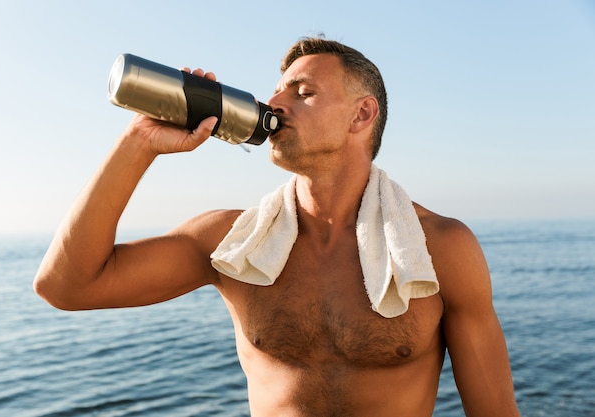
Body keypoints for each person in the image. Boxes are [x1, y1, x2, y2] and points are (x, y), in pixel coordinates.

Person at [34, 37, 520, 416]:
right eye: (277, 91)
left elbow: (495, 412)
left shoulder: (441, 248)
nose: (276, 104)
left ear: (361, 115)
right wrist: (138, 142)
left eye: (303, 92)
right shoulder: (233, 243)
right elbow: (66, 287)